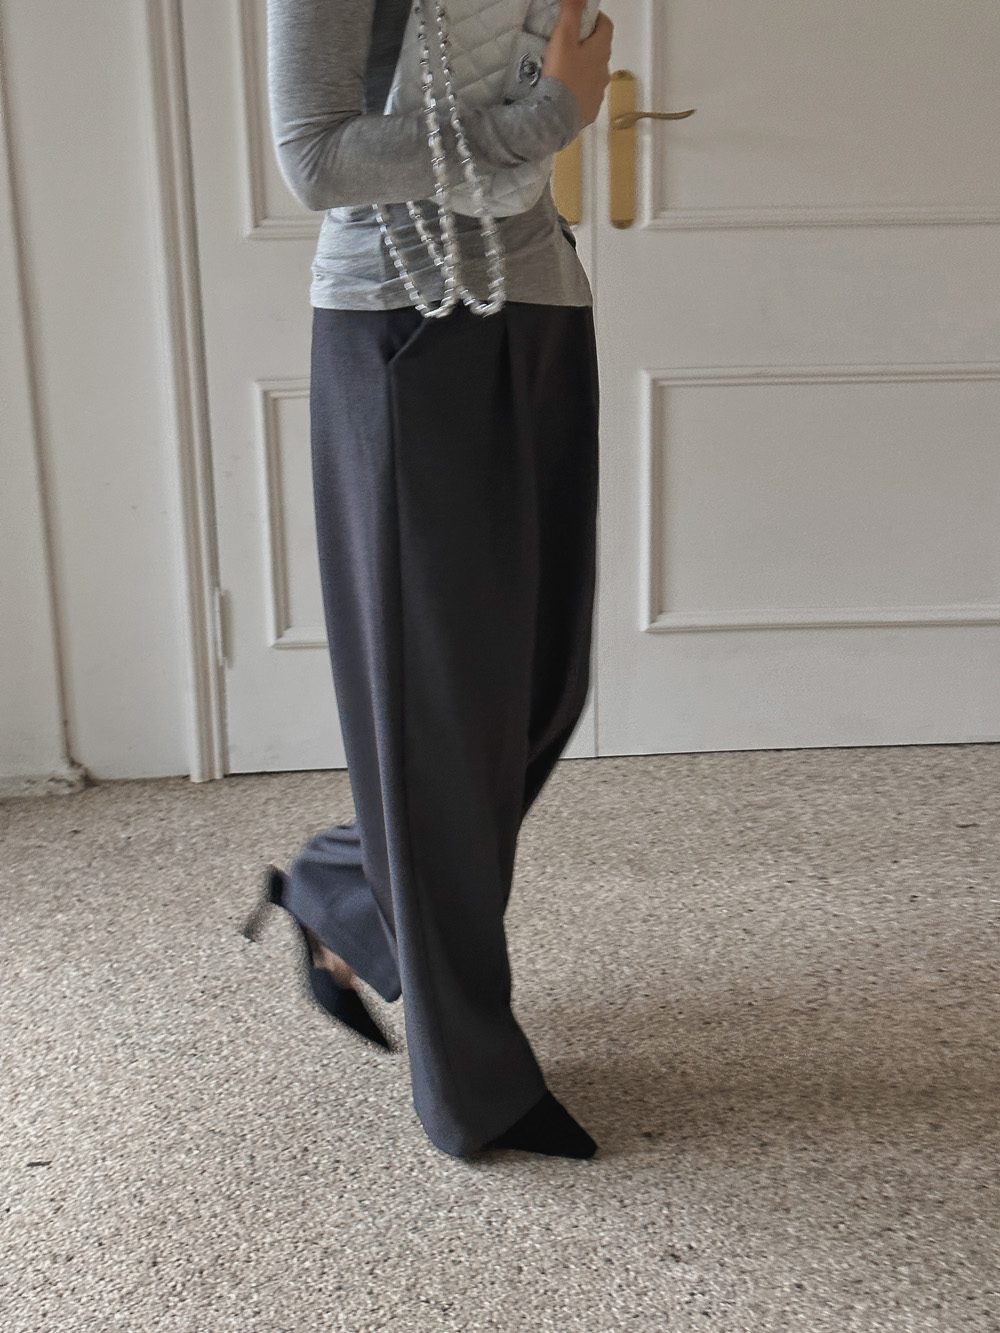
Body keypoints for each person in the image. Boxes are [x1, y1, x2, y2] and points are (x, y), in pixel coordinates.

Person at [244, 0, 614, 1161]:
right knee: (440, 718)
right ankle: (473, 1088)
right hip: (406, 320)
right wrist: (551, 117)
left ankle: (345, 887)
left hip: (537, 298)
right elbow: (316, 159)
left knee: (538, 688)